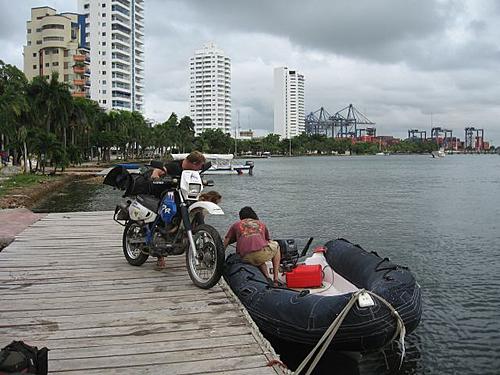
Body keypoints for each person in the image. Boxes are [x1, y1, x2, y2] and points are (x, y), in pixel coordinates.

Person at [151, 150, 206, 270]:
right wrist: (155, 175)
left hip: (186, 197)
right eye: (199, 166)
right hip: (168, 194)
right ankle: (160, 255)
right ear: (194, 163)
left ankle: (198, 242)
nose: (199, 169)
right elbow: (159, 171)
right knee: (166, 214)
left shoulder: (194, 171)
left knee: (198, 212)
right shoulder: (174, 166)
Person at [224, 206, 281, 286]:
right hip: (260, 254)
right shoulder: (261, 224)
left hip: (244, 257)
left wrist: (220, 256)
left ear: (241, 217)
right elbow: (266, 241)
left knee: (256, 255)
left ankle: (267, 277)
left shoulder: (236, 225)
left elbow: (226, 241)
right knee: (276, 246)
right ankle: (275, 279)